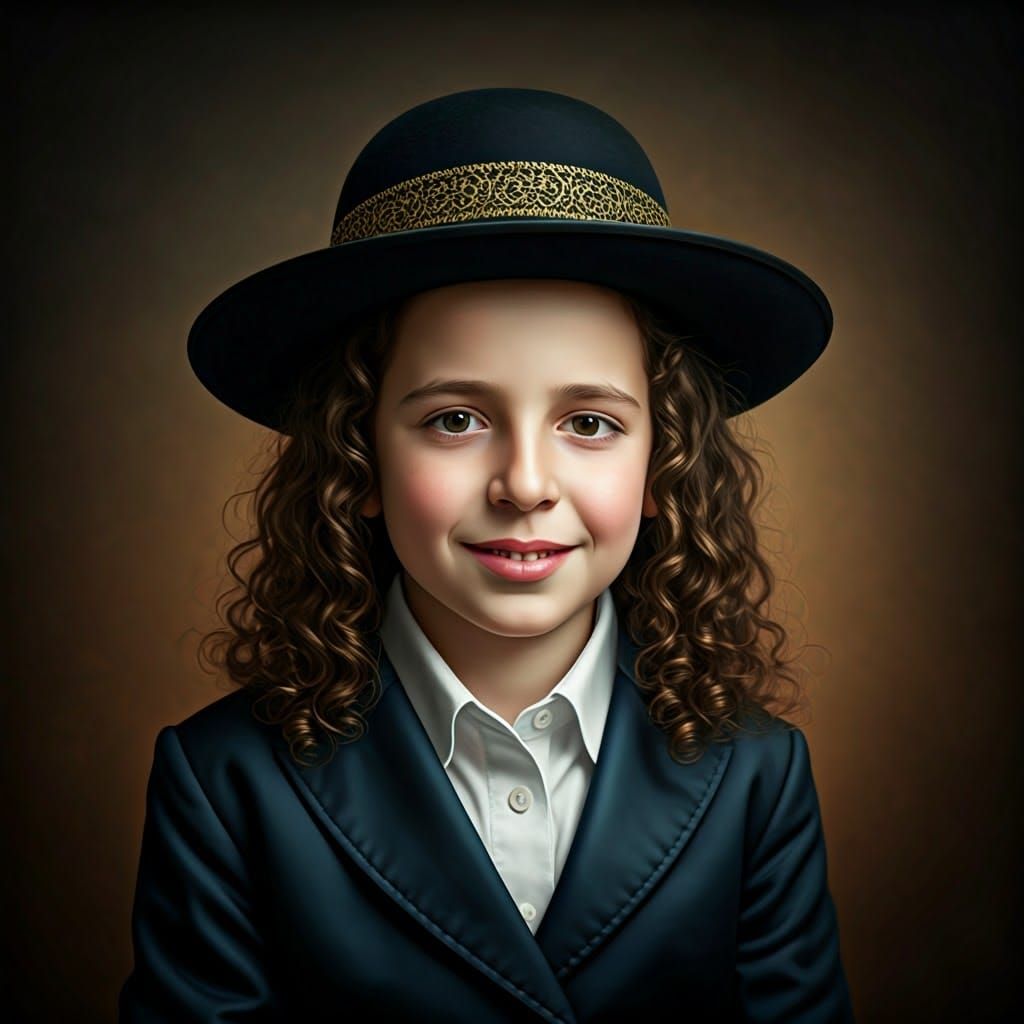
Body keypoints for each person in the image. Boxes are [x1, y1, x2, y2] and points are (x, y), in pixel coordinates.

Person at [119, 87, 855, 1022]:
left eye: (589, 422)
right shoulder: (226, 781)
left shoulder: (758, 774)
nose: (524, 482)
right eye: (455, 420)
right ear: (361, 457)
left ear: (662, 461)